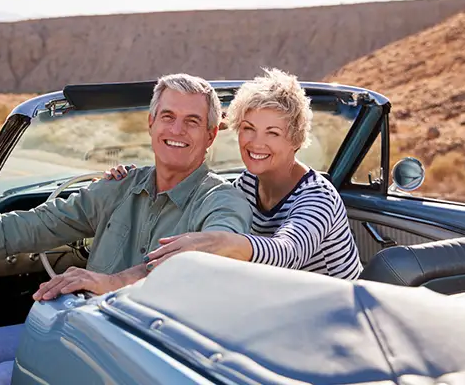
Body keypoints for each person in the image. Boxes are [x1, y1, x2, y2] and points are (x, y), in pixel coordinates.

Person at [0, 73, 252, 385]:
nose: (176, 131)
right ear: (150, 124)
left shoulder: (221, 201)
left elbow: (206, 261)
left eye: (192, 122)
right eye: (168, 117)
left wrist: (110, 281)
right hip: (73, 324)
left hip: (144, 353)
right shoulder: (120, 187)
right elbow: (33, 224)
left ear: (211, 134)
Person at [103, 68, 363, 280]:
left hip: (337, 314)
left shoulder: (318, 197)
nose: (256, 143)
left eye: (272, 133)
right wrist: (130, 180)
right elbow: (200, 197)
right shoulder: (246, 184)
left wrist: (222, 242)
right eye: (249, 128)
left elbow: (288, 251)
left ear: (295, 139)